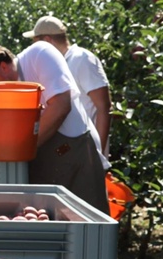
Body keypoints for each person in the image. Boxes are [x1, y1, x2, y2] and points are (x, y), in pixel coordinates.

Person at [0, 36, 110, 216]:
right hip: (42, 161)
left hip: (76, 154)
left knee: (87, 219)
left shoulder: (39, 55)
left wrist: (19, 150)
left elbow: (61, 105)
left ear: (3, 66)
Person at [26, 15, 112, 158]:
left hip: (88, 149)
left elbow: (104, 107)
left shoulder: (82, 59)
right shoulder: (60, 63)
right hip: (70, 149)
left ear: (47, 40)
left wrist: (99, 154)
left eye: (36, 43)